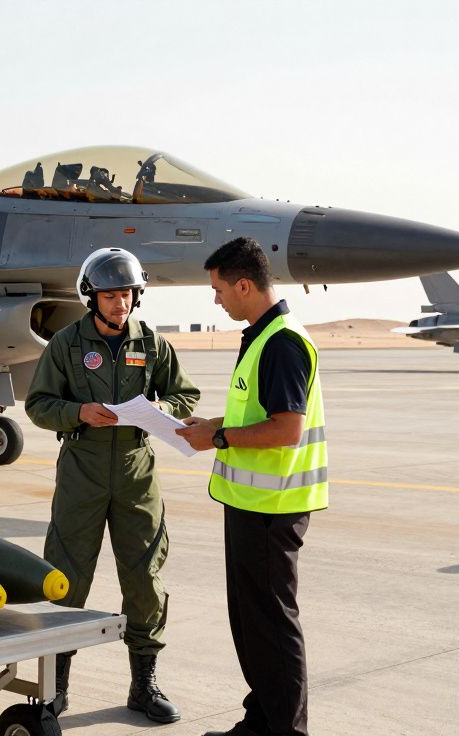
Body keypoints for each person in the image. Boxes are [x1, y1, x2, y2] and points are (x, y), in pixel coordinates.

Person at [25, 247, 201, 723]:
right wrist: (78, 412)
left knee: (145, 575)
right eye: (109, 295)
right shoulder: (66, 344)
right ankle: (55, 687)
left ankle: (144, 685)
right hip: (81, 467)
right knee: (66, 573)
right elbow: (38, 405)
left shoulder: (153, 344)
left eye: (126, 294)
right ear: (92, 297)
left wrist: (163, 408)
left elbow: (185, 394)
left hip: (135, 470)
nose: (119, 303)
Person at [176, 237, 328, 736]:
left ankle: (286, 732)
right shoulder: (262, 337)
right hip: (251, 503)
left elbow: (286, 429)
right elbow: (258, 415)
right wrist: (213, 425)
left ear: (244, 285)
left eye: (218, 289)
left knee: (271, 626)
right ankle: (260, 722)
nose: (215, 299)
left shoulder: (281, 343)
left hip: (271, 508)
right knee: (251, 624)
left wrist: (217, 438)